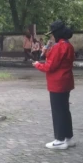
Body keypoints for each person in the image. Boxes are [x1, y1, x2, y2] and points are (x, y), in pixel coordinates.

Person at [33, 21, 75, 150]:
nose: (51, 37)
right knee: (64, 110)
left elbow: (50, 66)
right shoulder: (67, 45)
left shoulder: (59, 47)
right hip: (66, 81)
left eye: (52, 34)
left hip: (57, 82)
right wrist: (46, 51)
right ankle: (68, 137)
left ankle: (59, 139)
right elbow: (56, 60)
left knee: (57, 111)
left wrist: (37, 64)